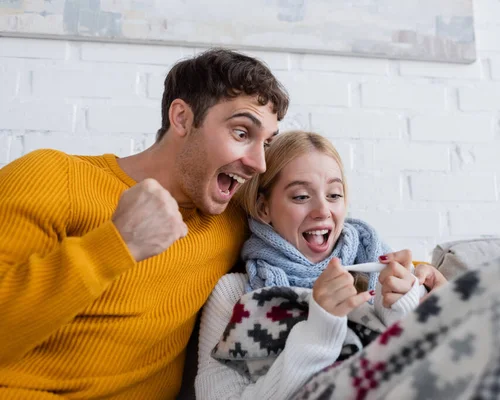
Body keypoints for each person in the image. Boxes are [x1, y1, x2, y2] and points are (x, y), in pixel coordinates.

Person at [0, 48, 289, 399]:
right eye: (242, 133)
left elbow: (309, 244)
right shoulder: (51, 177)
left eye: (267, 143)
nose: (259, 163)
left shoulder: (231, 223)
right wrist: (113, 246)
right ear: (182, 118)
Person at [194, 131, 447, 399]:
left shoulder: (385, 276)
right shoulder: (235, 294)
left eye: (334, 195)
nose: (323, 210)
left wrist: (402, 308)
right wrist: (319, 330)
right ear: (263, 207)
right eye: (301, 197)